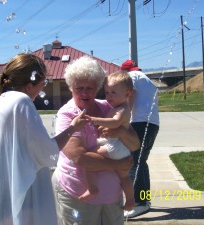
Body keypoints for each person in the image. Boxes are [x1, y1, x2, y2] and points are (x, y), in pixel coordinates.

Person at [0, 53, 89, 225]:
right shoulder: (20, 102)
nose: (43, 88)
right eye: (43, 83)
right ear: (30, 85)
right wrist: (73, 127)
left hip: (0, 194)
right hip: (23, 197)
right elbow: (47, 153)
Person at [51, 55, 140, 225]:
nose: (84, 93)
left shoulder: (108, 107)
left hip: (112, 194)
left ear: (98, 87)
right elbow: (79, 158)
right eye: (79, 88)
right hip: (79, 194)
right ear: (70, 88)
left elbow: (135, 145)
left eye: (90, 88)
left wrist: (120, 131)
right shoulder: (67, 115)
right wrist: (117, 165)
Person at [78, 71, 135, 211]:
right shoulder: (118, 106)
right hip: (118, 146)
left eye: (113, 93)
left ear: (127, 94)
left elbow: (115, 122)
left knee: (88, 159)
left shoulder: (122, 109)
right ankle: (131, 200)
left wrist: (95, 119)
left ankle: (92, 188)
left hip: (114, 146)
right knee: (124, 177)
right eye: (107, 92)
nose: (109, 96)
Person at [121, 59, 160, 218]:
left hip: (139, 123)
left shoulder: (132, 77)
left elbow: (131, 95)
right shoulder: (148, 80)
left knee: (134, 161)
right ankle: (144, 200)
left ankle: (138, 202)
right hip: (152, 124)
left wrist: (124, 118)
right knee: (141, 161)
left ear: (125, 71)